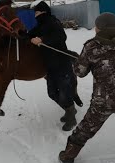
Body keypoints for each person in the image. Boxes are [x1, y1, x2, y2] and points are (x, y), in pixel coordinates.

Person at [58, 12, 115, 163]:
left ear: (100, 28)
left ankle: (68, 157)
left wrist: (78, 61)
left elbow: (80, 72)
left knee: (85, 129)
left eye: (96, 26)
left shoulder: (91, 46)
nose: (94, 29)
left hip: (102, 102)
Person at [28, 1, 78, 131]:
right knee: (52, 93)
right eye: (35, 13)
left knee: (64, 92)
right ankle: (70, 110)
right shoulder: (41, 25)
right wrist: (20, 34)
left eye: (37, 12)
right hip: (49, 65)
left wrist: (42, 40)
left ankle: (71, 117)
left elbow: (61, 36)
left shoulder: (53, 22)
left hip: (62, 64)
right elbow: (30, 34)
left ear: (44, 12)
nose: (36, 15)